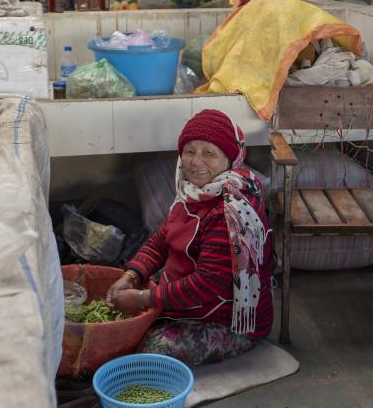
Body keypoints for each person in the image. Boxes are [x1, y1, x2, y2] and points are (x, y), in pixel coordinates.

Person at [107, 109, 273, 366]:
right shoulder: (193, 191)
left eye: (209, 153)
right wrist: (131, 276)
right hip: (191, 300)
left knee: (151, 350)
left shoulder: (231, 209)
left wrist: (143, 298)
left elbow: (208, 283)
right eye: (190, 151)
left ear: (231, 159)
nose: (196, 162)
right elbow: (162, 239)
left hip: (226, 320)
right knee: (124, 319)